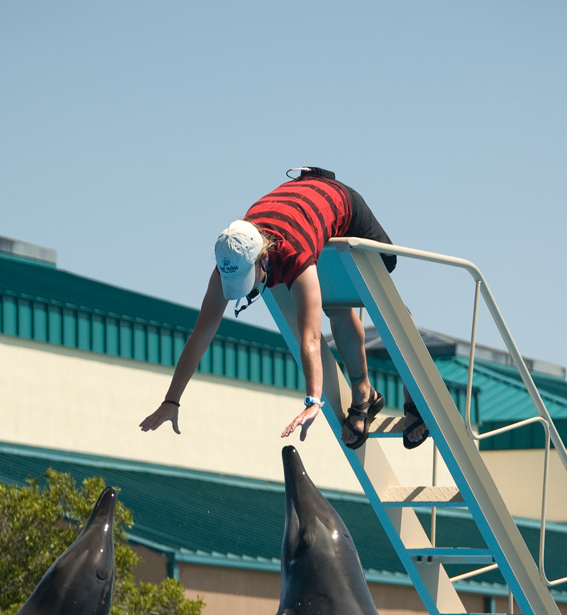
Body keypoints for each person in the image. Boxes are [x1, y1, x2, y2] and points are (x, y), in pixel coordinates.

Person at [140, 168, 428, 448]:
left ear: (263, 258)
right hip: (301, 211)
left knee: (381, 299)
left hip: (341, 203)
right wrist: (171, 400)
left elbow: (311, 339)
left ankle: (415, 396)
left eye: (249, 280)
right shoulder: (228, 262)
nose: (249, 289)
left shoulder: (294, 255)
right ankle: (364, 393)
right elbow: (200, 336)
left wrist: (313, 400)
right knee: (335, 307)